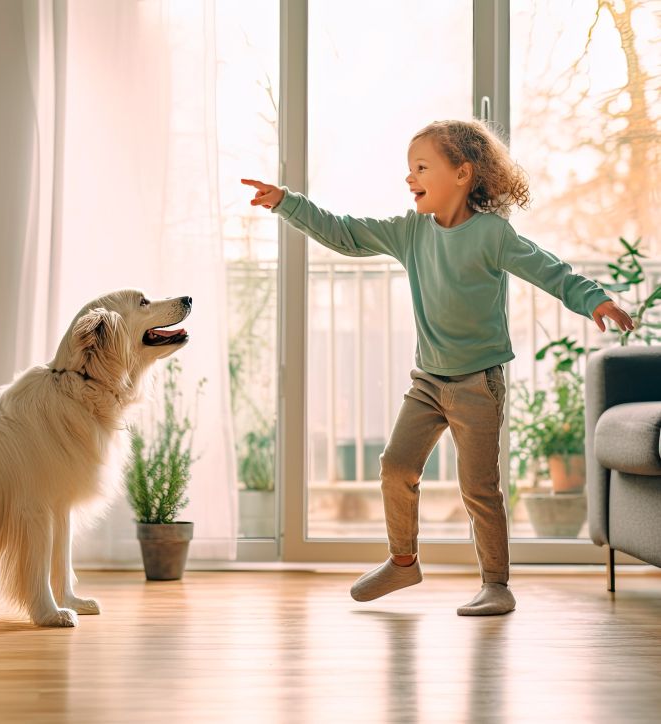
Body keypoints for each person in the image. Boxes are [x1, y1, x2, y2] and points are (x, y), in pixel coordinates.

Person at [242, 119, 634, 616]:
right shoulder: (411, 233)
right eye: (409, 170)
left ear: (463, 174)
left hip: (478, 385)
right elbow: (344, 234)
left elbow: (549, 270)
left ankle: (497, 584)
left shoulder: (492, 234)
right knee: (396, 467)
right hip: (427, 382)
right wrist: (286, 202)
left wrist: (595, 301)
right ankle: (403, 562)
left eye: (422, 168)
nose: (411, 178)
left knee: (479, 489)